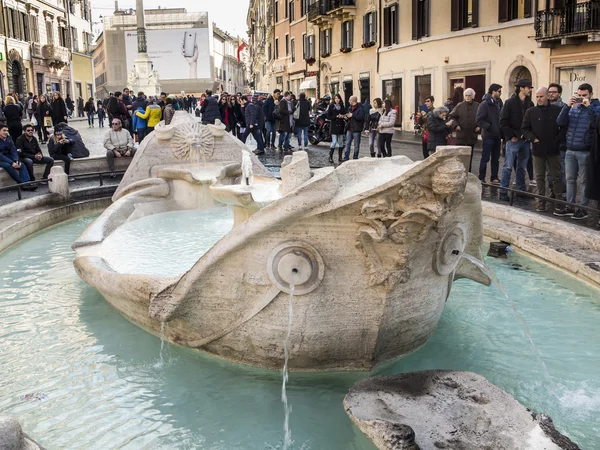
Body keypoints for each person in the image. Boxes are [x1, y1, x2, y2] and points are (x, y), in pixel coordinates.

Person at [556, 82, 600, 219]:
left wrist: (589, 107)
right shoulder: (572, 108)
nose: (581, 98)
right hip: (570, 149)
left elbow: (596, 124)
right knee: (570, 179)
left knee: (585, 181)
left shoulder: (596, 108)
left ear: (591, 95)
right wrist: (567, 106)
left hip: (585, 151)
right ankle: (570, 206)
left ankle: (583, 208)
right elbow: (560, 122)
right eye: (579, 95)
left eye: (584, 95)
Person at [522, 87, 567, 214]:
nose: (539, 99)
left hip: (553, 149)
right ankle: (541, 202)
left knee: (557, 176)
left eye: (541, 96)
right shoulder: (531, 112)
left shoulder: (557, 110)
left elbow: (564, 127)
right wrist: (533, 138)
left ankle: (559, 202)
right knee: (540, 177)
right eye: (537, 97)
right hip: (538, 149)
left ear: (547, 96)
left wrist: (557, 140)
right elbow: (524, 128)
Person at [498, 78, 534, 201]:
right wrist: (510, 136)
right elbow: (503, 122)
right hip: (513, 140)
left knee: (522, 167)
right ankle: (503, 191)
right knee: (508, 166)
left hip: (525, 140)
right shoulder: (510, 102)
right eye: (528, 87)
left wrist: (529, 136)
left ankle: (520, 190)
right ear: (521, 88)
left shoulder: (530, 104)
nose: (530, 90)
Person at [476, 83, 503, 183]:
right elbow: (479, 119)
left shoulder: (499, 103)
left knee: (496, 158)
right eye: (499, 91)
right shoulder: (484, 104)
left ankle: (494, 177)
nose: (500, 93)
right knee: (485, 157)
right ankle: (481, 177)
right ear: (494, 91)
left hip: (497, 135)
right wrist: (490, 127)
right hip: (488, 136)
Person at [448, 88, 480, 172]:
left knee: (469, 156)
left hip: (472, 136)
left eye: (469, 95)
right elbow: (451, 116)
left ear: (473, 96)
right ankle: (459, 172)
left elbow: (482, 118)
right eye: (466, 95)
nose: (468, 97)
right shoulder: (459, 105)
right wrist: (455, 125)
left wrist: (479, 126)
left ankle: (468, 172)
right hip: (461, 135)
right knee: (460, 156)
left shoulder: (478, 106)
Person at [547, 83, 567, 197]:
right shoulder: (543, 107)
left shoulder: (564, 107)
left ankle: (562, 192)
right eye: (549, 92)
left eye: (554, 92)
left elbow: (564, 127)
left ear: (559, 94)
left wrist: (557, 139)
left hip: (560, 144)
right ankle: (553, 190)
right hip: (546, 144)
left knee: (561, 170)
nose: (551, 94)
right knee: (549, 172)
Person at [343, 95, 365, 161]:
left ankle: (355, 158)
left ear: (353, 101)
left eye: (350, 100)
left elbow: (361, 118)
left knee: (356, 145)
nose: (349, 101)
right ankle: (346, 158)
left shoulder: (360, 108)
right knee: (347, 144)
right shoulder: (349, 108)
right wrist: (346, 118)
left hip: (357, 129)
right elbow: (349, 117)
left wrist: (353, 115)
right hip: (349, 129)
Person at [328, 94, 346, 163]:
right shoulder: (331, 106)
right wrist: (336, 116)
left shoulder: (342, 106)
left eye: (338, 98)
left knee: (341, 142)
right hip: (334, 126)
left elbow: (345, 114)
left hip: (341, 125)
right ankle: (330, 157)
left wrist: (342, 116)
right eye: (335, 98)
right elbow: (328, 116)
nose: (337, 99)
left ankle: (340, 157)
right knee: (334, 142)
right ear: (334, 99)